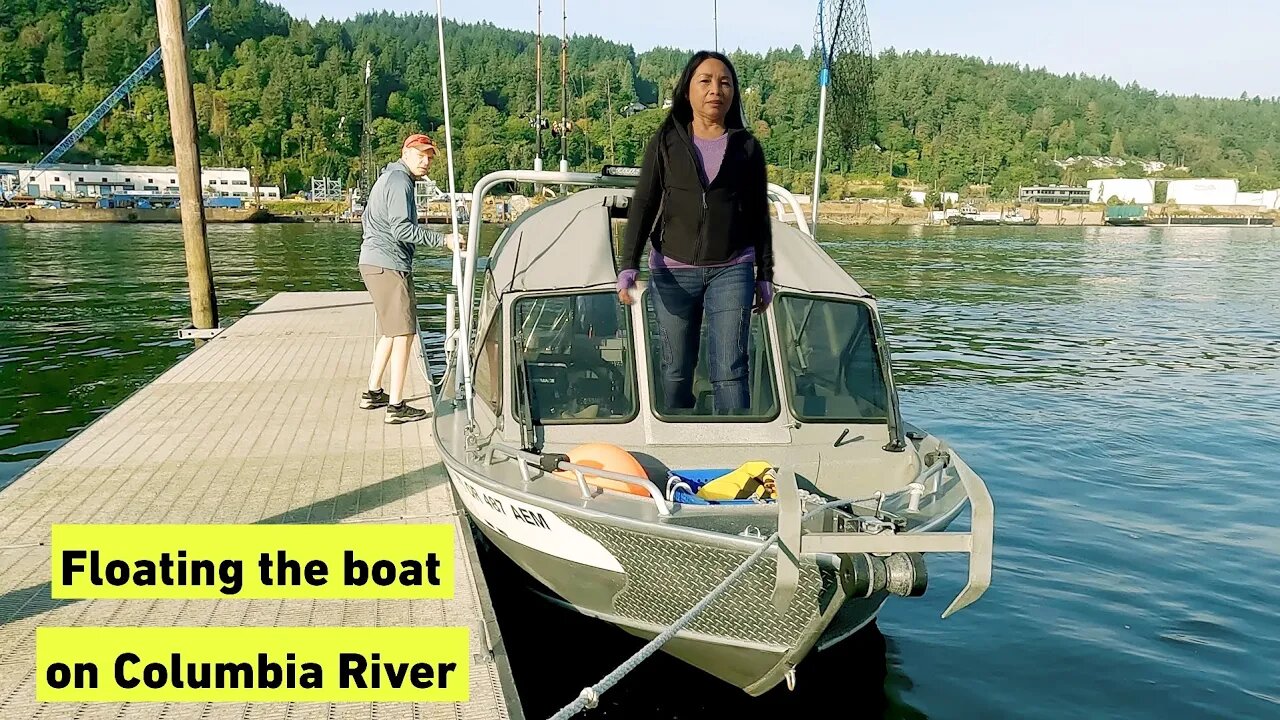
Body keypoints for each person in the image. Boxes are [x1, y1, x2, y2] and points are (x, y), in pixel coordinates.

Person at [616, 50, 774, 414]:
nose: (715, 89)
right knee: (674, 370)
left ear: (733, 93)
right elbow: (644, 202)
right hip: (671, 270)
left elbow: (757, 215)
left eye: (725, 82)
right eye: (705, 81)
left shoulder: (747, 147)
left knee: (731, 369)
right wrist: (628, 265)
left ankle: (736, 455)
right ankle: (678, 444)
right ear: (687, 91)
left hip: (732, 269)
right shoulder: (666, 141)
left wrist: (765, 274)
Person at [358, 132, 464, 423]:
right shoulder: (400, 181)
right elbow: (401, 229)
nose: (426, 161)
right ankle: (396, 407)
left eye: (429, 156)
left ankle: (373, 392)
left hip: (375, 263)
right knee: (405, 333)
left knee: (391, 332)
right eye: (420, 155)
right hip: (388, 264)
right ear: (405, 153)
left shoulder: (389, 178)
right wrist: (444, 241)